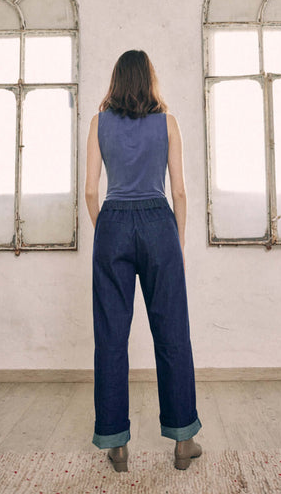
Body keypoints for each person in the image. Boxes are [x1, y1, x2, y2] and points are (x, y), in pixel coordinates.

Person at [85, 50, 202, 472]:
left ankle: (116, 443)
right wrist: (178, 243)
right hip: (158, 223)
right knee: (172, 333)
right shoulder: (167, 123)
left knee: (111, 337)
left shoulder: (98, 124)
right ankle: (183, 440)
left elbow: (90, 192)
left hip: (113, 222)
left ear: (116, 80)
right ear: (149, 79)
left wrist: (108, 231)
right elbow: (181, 192)